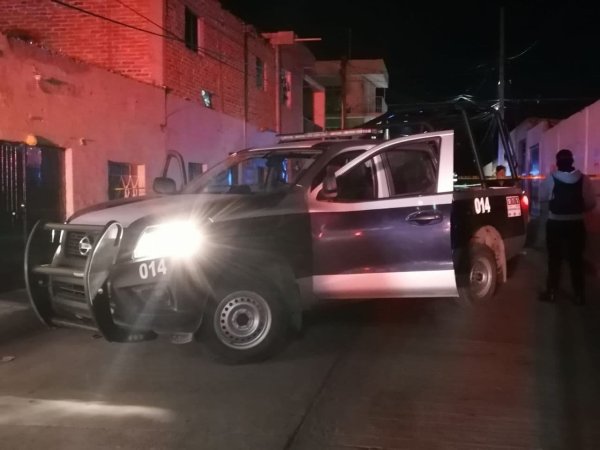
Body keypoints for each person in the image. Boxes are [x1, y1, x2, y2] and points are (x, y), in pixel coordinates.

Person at [539, 149, 596, 305]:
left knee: (554, 260)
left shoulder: (551, 178)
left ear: (557, 163)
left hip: (555, 224)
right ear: (572, 162)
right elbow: (591, 202)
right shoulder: (584, 179)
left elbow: (542, 197)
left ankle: (551, 292)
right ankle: (579, 295)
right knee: (576, 260)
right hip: (576, 224)